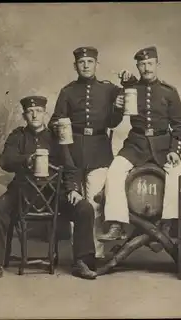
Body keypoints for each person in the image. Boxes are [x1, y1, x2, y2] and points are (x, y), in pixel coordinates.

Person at [0, 95, 98, 281]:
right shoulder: (17, 136)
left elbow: (69, 167)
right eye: (30, 112)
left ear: (45, 114)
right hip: (22, 193)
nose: (35, 115)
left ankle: (82, 262)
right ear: (24, 115)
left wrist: (73, 188)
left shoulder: (56, 137)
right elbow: (4, 160)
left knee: (84, 208)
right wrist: (27, 159)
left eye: (39, 111)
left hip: (54, 195)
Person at [48, 46, 136, 259]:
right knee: (77, 206)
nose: (86, 65)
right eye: (81, 62)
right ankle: (80, 255)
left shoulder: (108, 90)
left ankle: (94, 257)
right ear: (75, 66)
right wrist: (60, 126)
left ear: (97, 65)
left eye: (90, 62)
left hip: (99, 151)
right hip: (72, 152)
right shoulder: (67, 92)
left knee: (96, 204)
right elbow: (54, 121)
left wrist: (128, 83)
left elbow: (117, 116)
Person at [98, 46, 181, 241]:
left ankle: (169, 224)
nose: (146, 68)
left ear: (157, 64)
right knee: (114, 171)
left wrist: (175, 151)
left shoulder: (169, 92)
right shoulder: (131, 90)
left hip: (163, 145)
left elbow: (179, 127)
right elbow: (113, 121)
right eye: (142, 64)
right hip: (136, 144)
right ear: (137, 66)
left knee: (177, 173)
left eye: (150, 64)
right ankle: (117, 224)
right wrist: (117, 106)